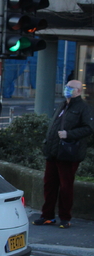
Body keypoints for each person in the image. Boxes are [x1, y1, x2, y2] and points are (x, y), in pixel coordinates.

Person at [33, 80, 94, 228]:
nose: (68, 90)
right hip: (54, 152)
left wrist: (69, 134)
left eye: (71, 88)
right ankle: (47, 216)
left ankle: (65, 218)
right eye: (67, 87)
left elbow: (89, 128)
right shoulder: (62, 105)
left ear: (79, 91)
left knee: (66, 187)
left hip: (68, 154)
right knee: (49, 185)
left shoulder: (83, 108)